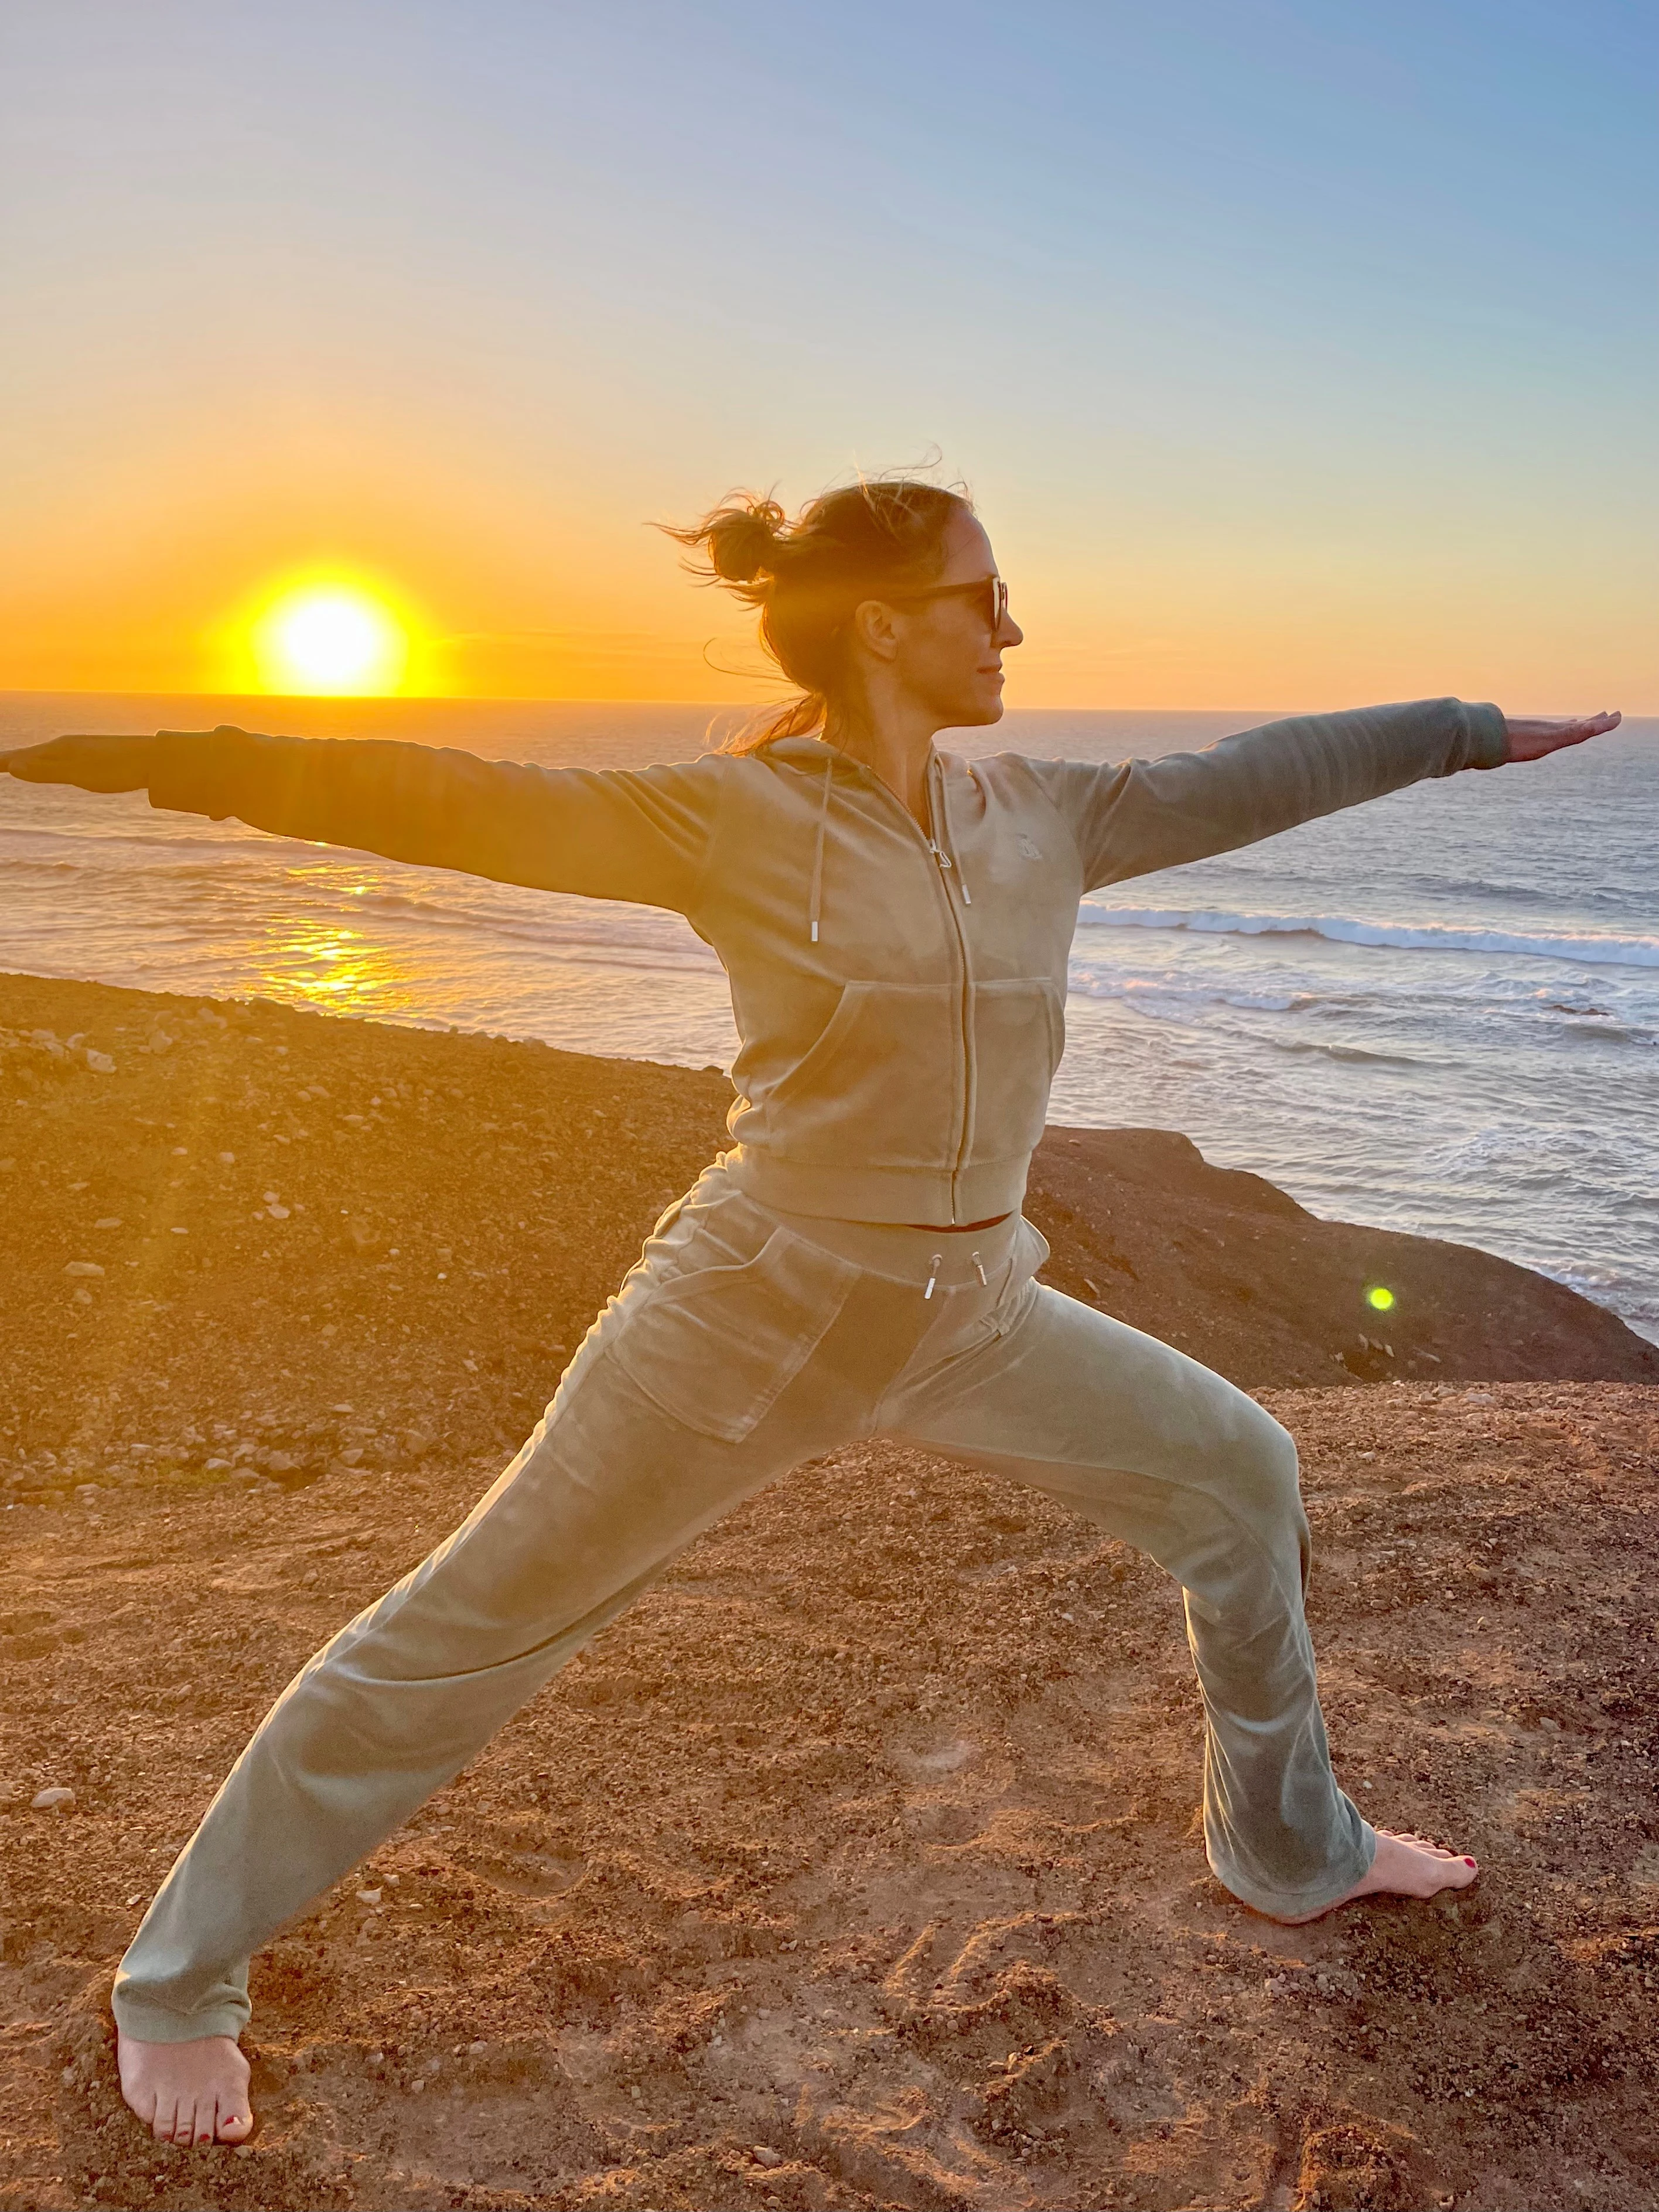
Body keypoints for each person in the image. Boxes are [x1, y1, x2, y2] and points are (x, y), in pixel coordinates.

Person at [2, 477, 1620, 2151]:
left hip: (979, 1308)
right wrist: (96, 758)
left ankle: (1296, 1853)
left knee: (1240, 1476)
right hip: (748, 1321)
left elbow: (1256, 776)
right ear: (883, 623)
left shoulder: (1046, 814)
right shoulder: (733, 819)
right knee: (458, 1638)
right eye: (985, 597)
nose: (1012, 627)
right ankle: (178, 1983)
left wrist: (1470, 730)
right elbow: (427, 795)